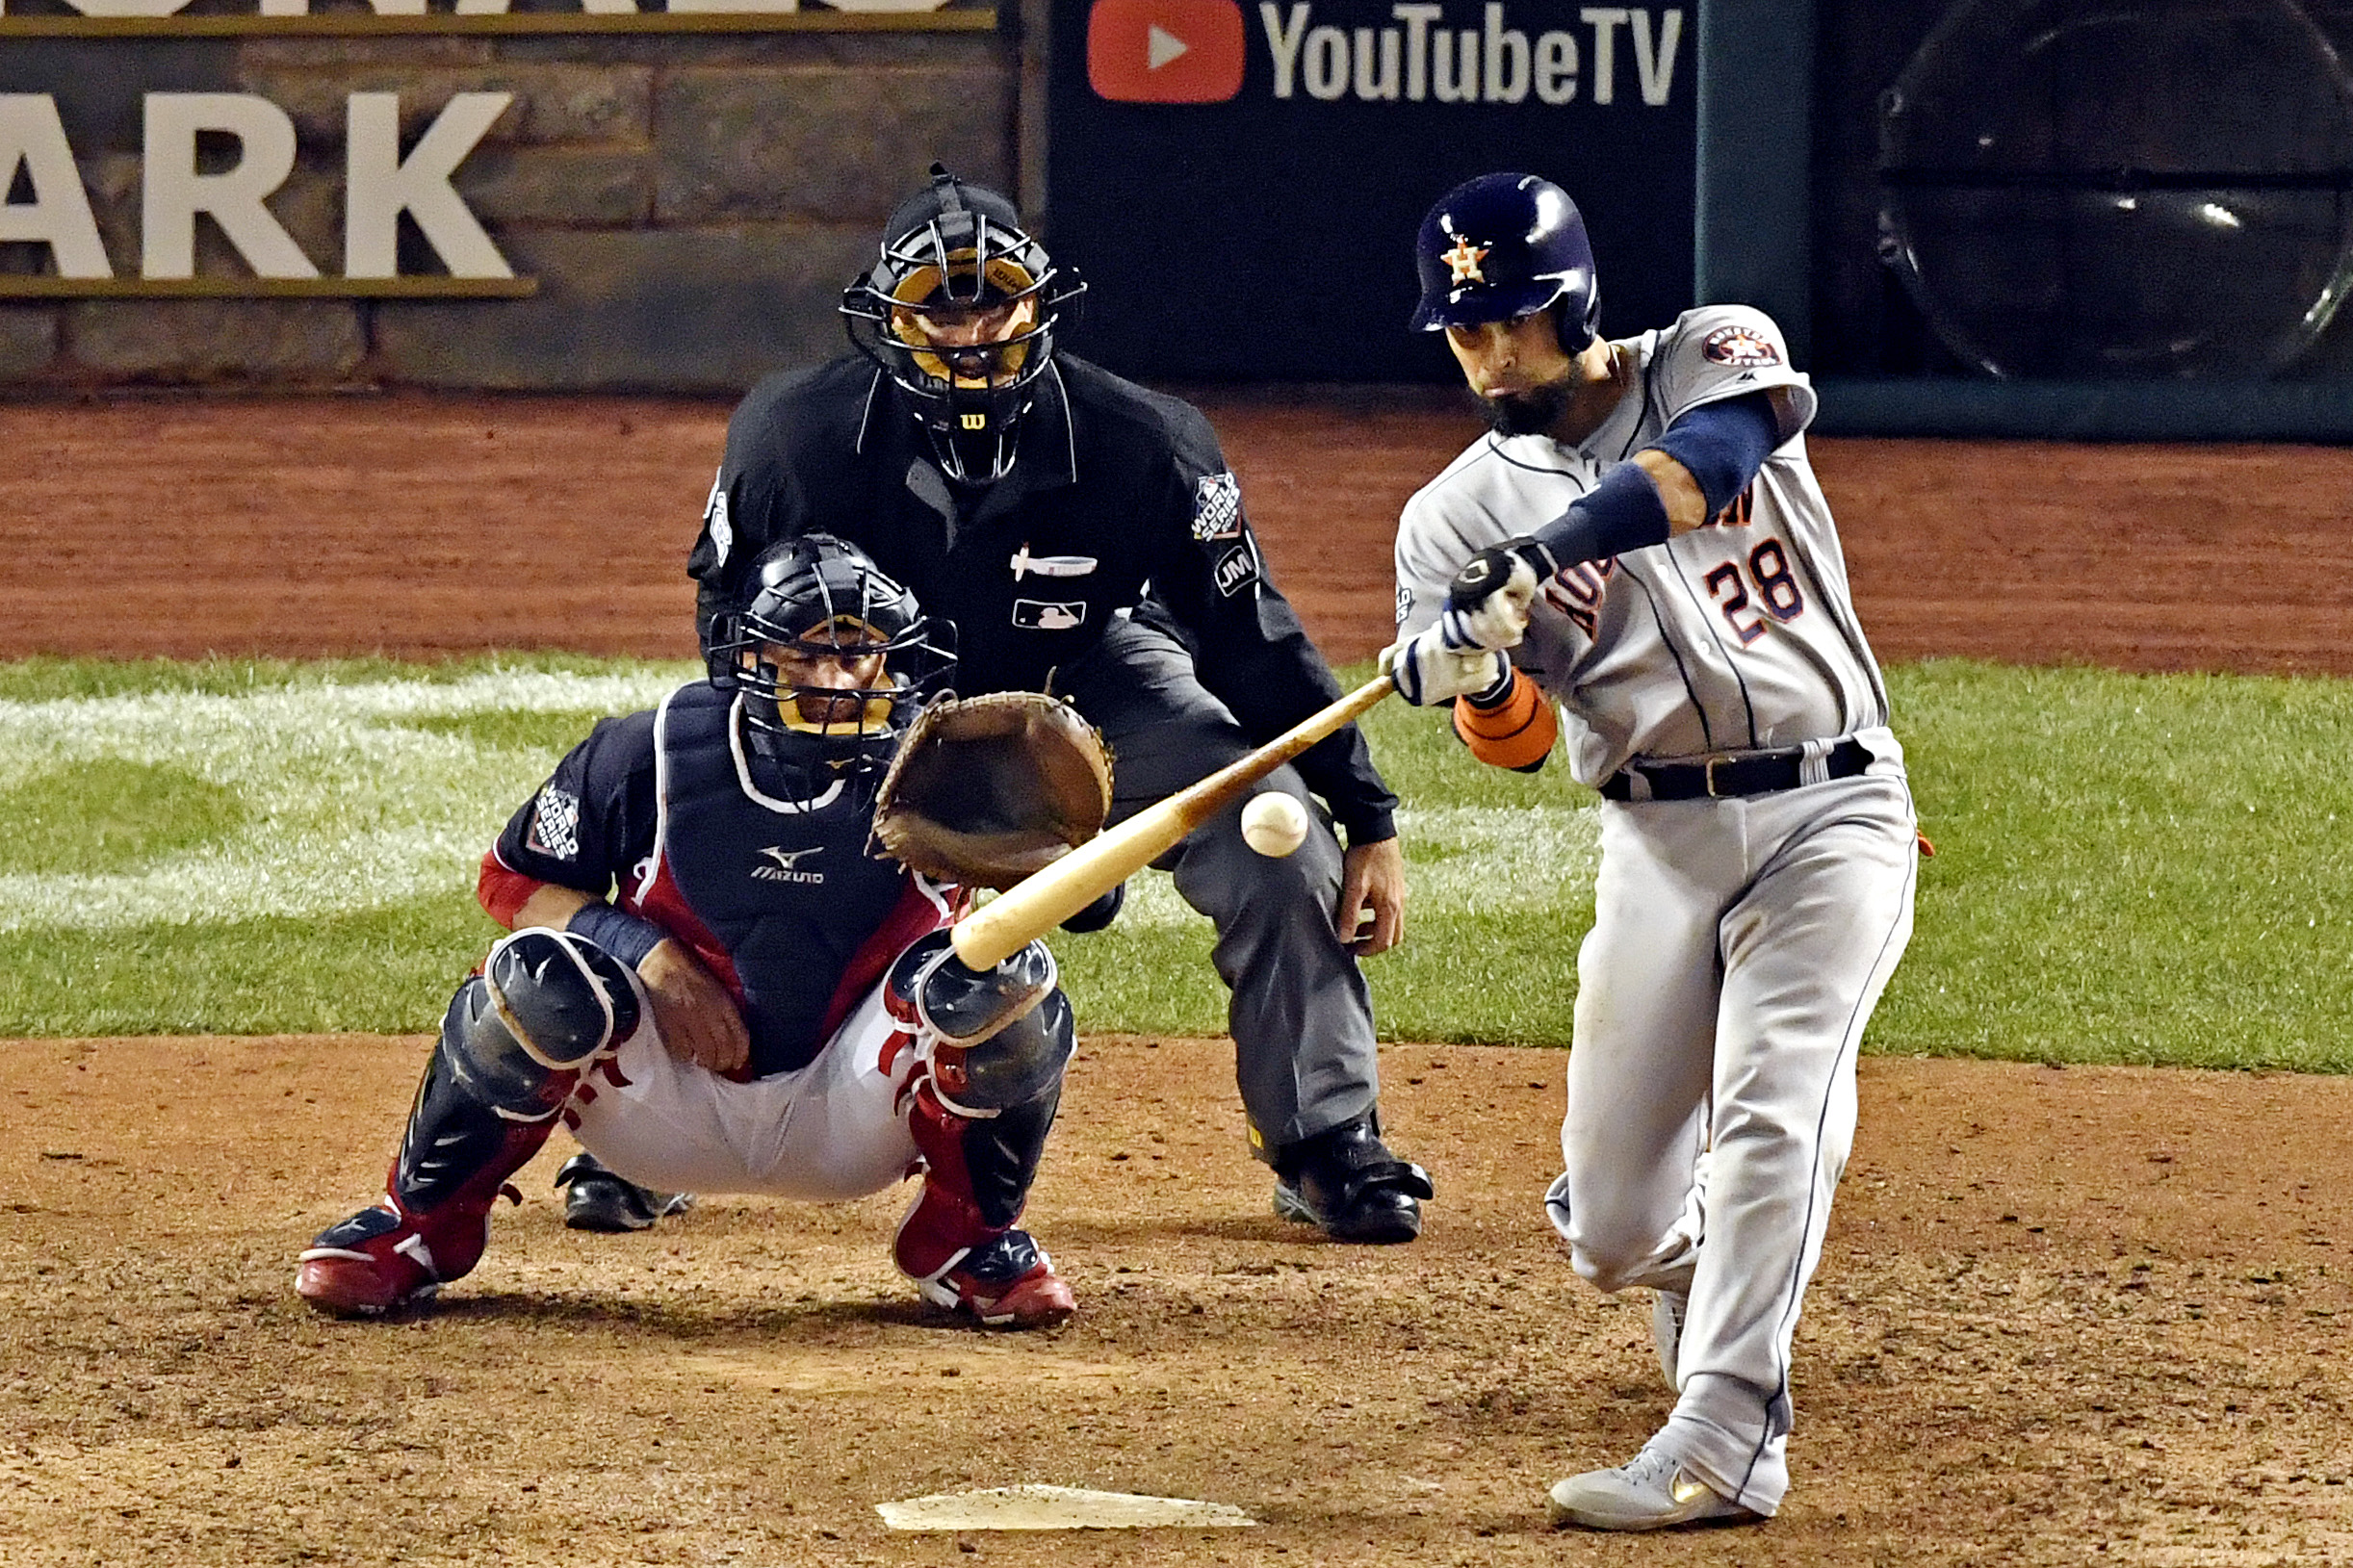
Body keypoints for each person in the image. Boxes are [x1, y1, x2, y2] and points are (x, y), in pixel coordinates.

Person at [678, 163, 1432, 1244]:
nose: (971, 327)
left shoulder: (1144, 442)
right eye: (939, 302)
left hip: (1088, 676)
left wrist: (1367, 815)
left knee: (1276, 837)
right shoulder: (792, 437)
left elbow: (1246, 638)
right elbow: (732, 622)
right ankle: (672, 1132)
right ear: (887, 317)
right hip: (876, 693)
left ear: (1038, 303)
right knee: (728, 817)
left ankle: (1324, 1139)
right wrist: (769, 769)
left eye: (992, 296)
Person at [1383, 173, 1921, 1529]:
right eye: (1468, 333)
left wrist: (1551, 549)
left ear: (1577, 307)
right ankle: (1702, 1259)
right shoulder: (1447, 519)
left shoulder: (1711, 351)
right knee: (1614, 1226)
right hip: (1659, 841)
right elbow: (1509, 747)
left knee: (1774, 1105)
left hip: (1832, 810)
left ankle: (1730, 1434)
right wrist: (1476, 671)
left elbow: (1706, 471)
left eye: (1517, 323)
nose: (1494, 357)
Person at [296, 535, 1081, 1329]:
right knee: (534, 979)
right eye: (809, 656)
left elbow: (1085, 909)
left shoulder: (942, 772)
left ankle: (970, 1244)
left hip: (851, 1110)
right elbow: (511, 881)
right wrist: (649, 956)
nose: (838, 682)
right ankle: (419, 1227)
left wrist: (1058, 844)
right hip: (658, 1107)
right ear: (757, 658)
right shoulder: (653, 754)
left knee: (1009, 984)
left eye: (860, 656)